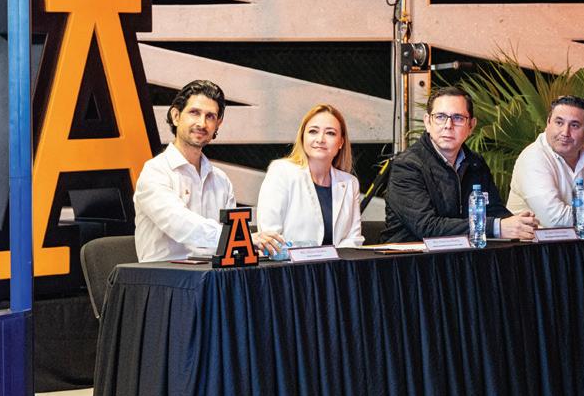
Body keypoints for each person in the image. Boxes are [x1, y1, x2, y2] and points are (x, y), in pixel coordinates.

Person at [134, 80, 280, 262]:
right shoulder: (155, 172)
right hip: (165, 276)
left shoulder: (221, 180)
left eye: (210, 116)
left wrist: (254, 247)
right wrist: (241, 239)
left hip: (212, 275)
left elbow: (229, 245)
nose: (202, 123)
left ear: (218, 124)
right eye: (194, 113)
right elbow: (180, 224)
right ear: (176, 116)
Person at [382, 86, 537, 243]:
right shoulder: (407, 166)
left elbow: (493, 211)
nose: (448, 125)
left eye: (458, 118)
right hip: (411, 256)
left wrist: (520, 224)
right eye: (440, 117)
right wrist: (496, 227)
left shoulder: (476, 163)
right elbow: (427, 227)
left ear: (471, 126)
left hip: (463, 254)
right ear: (427, 122)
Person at [507, 95, 584, 229]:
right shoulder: (532, 157)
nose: (565, 133)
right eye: (559, 123)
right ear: (548, 123)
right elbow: (554, 219)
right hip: (534, 241)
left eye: (574, 125)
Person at [256, 104, 364, 248]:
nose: (320, 139)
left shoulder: (350, 183)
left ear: (341, 142)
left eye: (330, 133)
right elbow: (270, 237)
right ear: (302, 137)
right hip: (290, 262)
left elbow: (353, 240)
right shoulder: (281, 171)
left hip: (339, 262)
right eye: (313, 131)